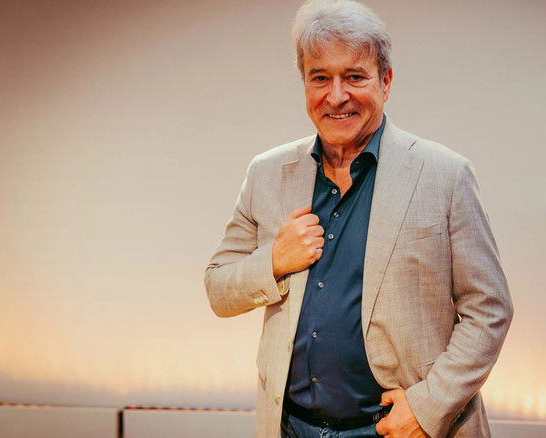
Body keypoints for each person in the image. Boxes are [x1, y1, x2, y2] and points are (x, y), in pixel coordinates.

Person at [205, 1, 512, 437]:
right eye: (320, 78)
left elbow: (489, 310)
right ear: (304, 83)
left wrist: (426, 408)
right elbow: (219, 289)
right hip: (291, 427)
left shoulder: (445, 175)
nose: (336, 96)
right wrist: (273, 260)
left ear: (386, 81)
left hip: (399, 430)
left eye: (354, 77)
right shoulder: (267, 173)